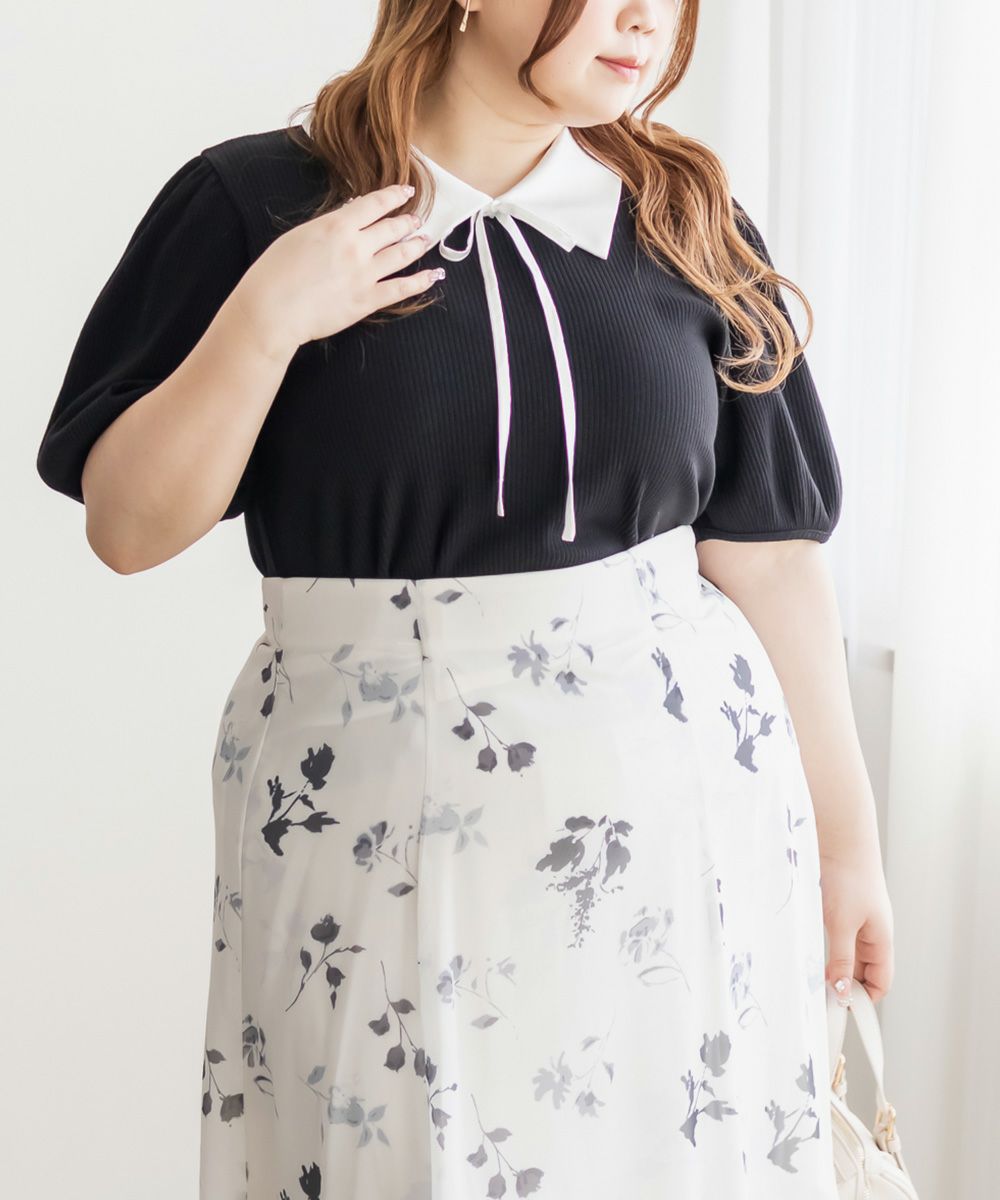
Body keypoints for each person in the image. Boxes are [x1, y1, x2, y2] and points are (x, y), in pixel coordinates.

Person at [35, 1, 894, 1197]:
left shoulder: (683, 214)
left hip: (680, 822)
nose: (644, 18)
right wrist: (267, 318)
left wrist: (849, 849)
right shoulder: (256, 204)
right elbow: (129, 530)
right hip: (370, 828)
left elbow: (770, 557)